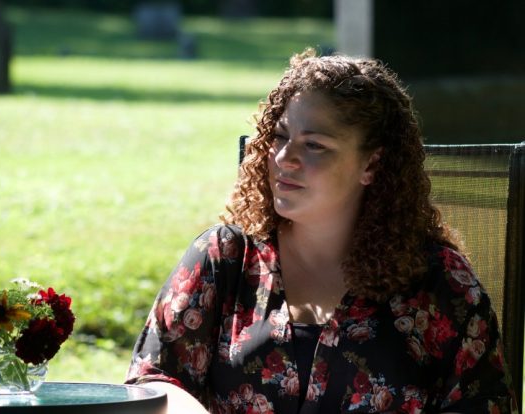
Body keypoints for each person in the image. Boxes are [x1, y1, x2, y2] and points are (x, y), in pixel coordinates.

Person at [125, 49, 518, 413]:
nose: (283, 158)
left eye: (314, 145)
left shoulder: (437, 283)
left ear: (372, 165)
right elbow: (154, 381)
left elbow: (482, 404)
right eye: (280, 137)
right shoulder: (226, 259)